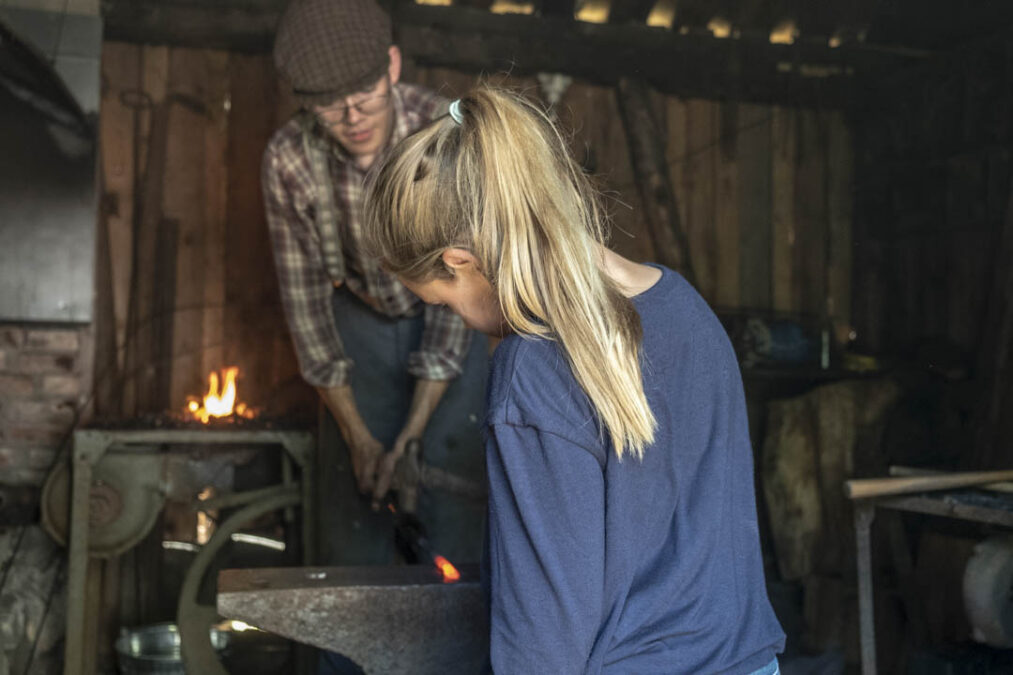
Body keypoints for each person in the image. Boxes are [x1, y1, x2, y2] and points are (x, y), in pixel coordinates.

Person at [363, 88, 786, 673]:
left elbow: (544, 642)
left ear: (463, 260)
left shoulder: (531, 370)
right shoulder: (687, 308)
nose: (454, 319)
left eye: (442, 302)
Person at [263, 0, 487, 571]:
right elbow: (307, 311)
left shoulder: (442, 132)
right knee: (355, 503)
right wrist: (359, 437)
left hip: (454, 313)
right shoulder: (288, 161)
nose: (353, 119)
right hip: (355, 327)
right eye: (330, 111)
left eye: (364, 98)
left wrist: (412, 434)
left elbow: (456, 290)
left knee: (454, 492)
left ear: (391, 66)